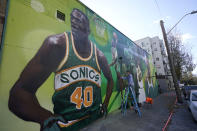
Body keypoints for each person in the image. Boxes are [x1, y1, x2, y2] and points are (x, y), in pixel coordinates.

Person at [8, 8, 113, 131]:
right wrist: (45, 117)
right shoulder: (56, 45)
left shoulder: (99, 55)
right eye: (72, 19)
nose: (74, 22)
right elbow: (19, 93)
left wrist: (105, 104)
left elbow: (110, 80)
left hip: (95, 122)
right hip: (66, 126)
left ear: (88, 30)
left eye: (79, 21)